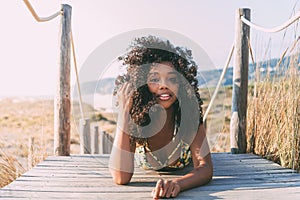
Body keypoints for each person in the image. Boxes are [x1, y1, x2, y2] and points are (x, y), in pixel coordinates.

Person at [109, 35, 213, 199]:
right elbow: (121, 177)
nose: (164, 85)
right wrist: (124, 114)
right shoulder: (136, 121)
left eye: (172, 78)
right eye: (155, 79)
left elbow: (205, 167)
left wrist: (178, 183)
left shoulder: (189, 115)